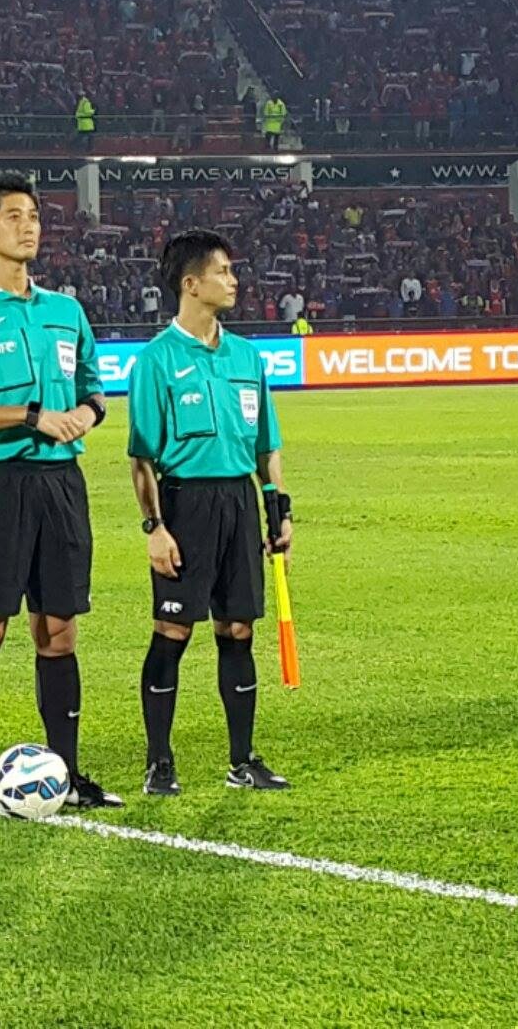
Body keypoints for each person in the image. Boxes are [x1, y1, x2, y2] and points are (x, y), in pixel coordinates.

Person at [0, 171, 123, 820]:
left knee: (58, 633)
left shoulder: (66, 312)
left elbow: (96, 390)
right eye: (13, 216)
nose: (29, 225)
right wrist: (29, 417)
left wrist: (85, 418)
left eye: (34, 215)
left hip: (62, 485)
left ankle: (65, 777)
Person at [127, 230, 294, 796]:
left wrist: (280, 512)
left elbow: (267, 445)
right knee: (173, 630)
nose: (235, 281)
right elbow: (142, 458)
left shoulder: (248, 357)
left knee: (238, 629)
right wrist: (155, 528)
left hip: (239, 503)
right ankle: (159, 761)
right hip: (185, 504)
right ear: (190, 284)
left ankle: (243, 759)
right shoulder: (156, 360)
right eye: (224, 272)